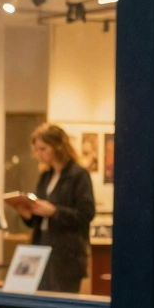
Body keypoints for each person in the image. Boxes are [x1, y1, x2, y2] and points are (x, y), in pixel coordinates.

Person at [20, 123, 95, 293]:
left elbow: (86, 214)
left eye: (43, 149)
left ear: (58, 147)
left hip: (67, 254)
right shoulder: (46, 176)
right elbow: (39, 217)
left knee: (61, 304)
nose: (38, 154)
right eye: (37, 150)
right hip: (42, 246)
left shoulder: (78, 175)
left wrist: (54, 211)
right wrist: (27, 214)